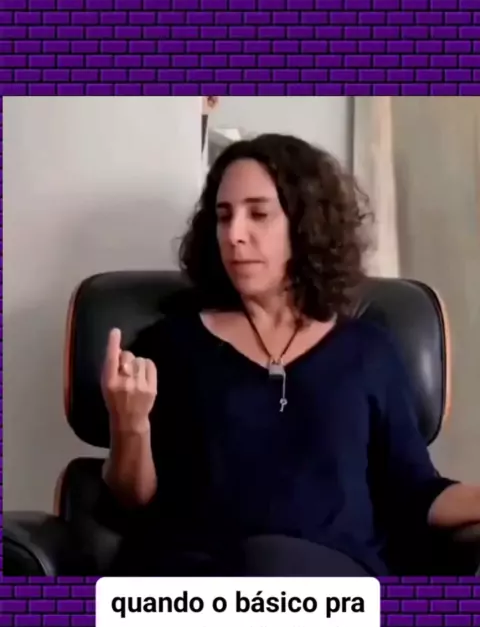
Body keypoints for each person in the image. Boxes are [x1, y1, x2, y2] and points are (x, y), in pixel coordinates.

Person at [98, 134, 480, 577]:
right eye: (224, 217)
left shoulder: (369, 352)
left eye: (258, 214)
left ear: (305, 224)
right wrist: (129, 424)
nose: (235, 235)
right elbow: (133, 500)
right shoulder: (170, 345)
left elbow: (416, 492)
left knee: (274, 563)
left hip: (330, 585)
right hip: (196, 582)